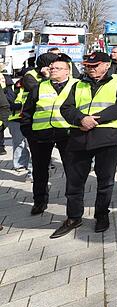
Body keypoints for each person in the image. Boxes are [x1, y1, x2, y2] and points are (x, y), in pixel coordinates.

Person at [50, 51, 117, 238]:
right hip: (80, 136)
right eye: (87, 66)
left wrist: (94, 120)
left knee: (105, 181)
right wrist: (81, 119)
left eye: (94, 66)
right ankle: (73, 217)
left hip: (107, 137)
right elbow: (66, 108)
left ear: (106, 65)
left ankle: (101, 215)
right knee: (75, 181)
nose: (90, 69)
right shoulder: (78, 84)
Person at [19, 54, 76, 215]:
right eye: (51, 68)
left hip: (67, 134)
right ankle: (39, 201)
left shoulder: (77, 86)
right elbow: (28, 110)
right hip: (40, 135)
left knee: (72, 169)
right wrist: (28, 131)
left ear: (67, 71)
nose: (53, 70)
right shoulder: (40, 86)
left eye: (57, 68)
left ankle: (73, 202)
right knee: (39, 170)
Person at [9, 54, 57, 179]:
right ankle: (30, 171)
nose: (54, 67)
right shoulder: (30, 76)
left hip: (48, 117)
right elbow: (39, 91)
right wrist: (47, 78)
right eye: (52, 64)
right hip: (28, 117)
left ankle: (44, 169)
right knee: (30, 147)